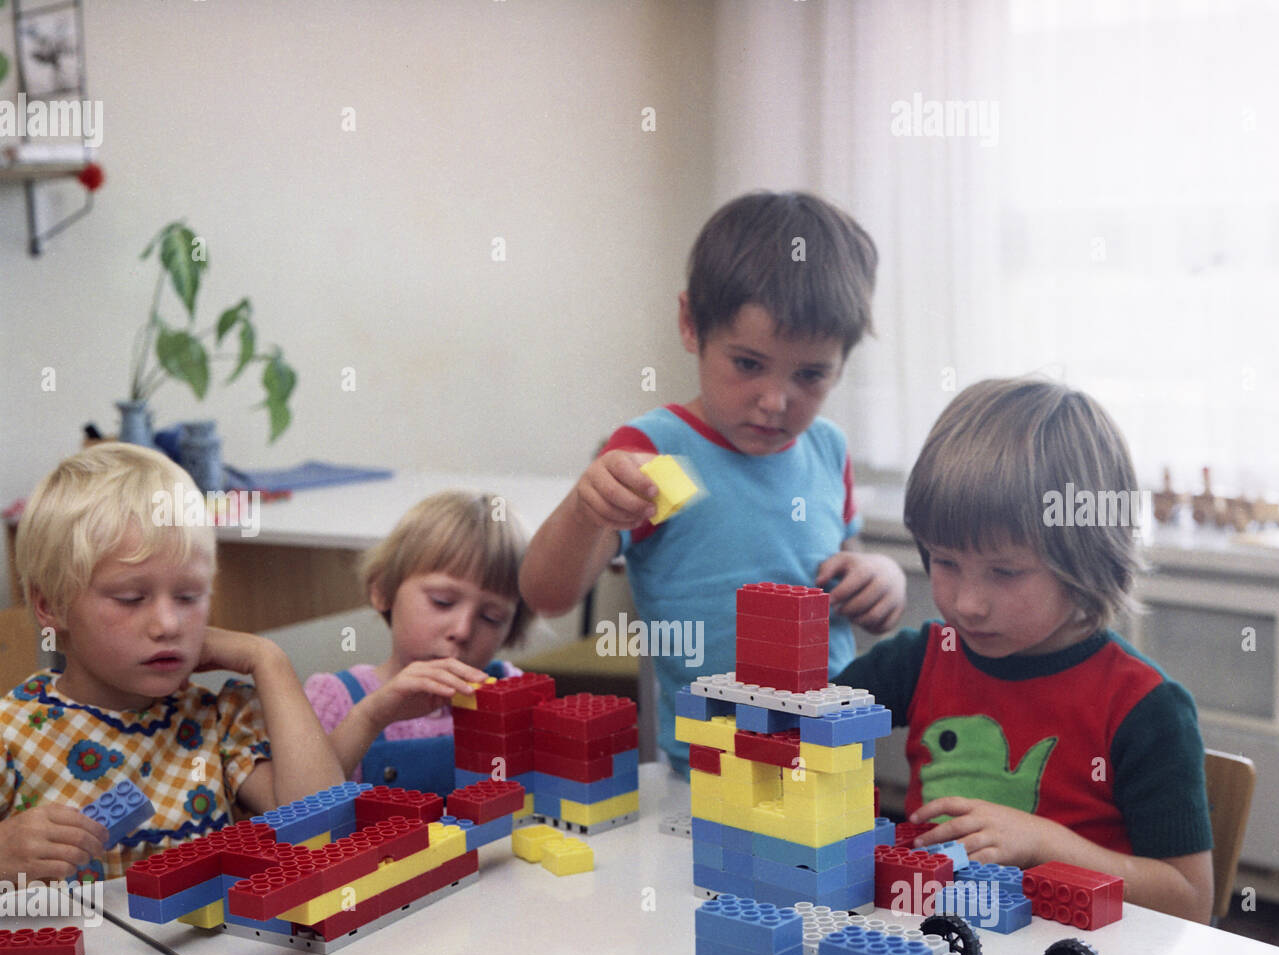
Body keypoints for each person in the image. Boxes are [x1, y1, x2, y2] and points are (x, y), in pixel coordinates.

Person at [519, 190, 906, 771]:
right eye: (748, 364)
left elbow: (849, 569)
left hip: (830, 761)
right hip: (707, 768)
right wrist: (584, 508)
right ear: (690, 324)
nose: (774, 401)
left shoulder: (828, 448)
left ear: (842, 365)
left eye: (810, 375)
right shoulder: (653, 452)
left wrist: (883, 577)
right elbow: (546, 595)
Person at [835, 378, 1214, 921]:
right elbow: (801, 723)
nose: (967, 604)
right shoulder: (921, 659)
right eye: (945, 562)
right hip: (933, 937)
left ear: (1087, 560)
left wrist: (1046, 843)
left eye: (1005, 572)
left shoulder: (1147, 708)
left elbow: (1190, 901)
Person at [0, 444, 343, 884]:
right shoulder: (11, 735)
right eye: (131, 598)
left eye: (188, 596)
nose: (168, 624)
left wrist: (268, 659)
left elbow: (321, 831)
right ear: (51, 606)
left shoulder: (219, 720)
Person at [304, 492, 533, 788]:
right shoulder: (334, 699)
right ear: (382, 590)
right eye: (442, 601)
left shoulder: (509, 686)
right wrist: (369, 719)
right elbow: (304, 801)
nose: (462, 630)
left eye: (491, 617)